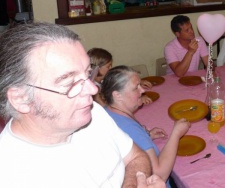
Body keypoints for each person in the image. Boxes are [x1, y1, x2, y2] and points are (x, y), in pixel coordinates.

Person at [0, 22, 154, 187]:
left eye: (88, 74)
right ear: (20, 98)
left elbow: (136, 157)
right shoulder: (12, 175)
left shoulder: (93, 113)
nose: (93, 89)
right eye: (69, 82)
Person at [102, 66, 190, 187]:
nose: (142, 90)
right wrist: (176, 134)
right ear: (117, 95)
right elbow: (159, 174)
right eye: (135, 88)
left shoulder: (106, 112)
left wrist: (147, 136)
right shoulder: (130, 129)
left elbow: (130, 143)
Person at [88, 47, 153, 106]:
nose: (111, 68)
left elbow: (121, 83)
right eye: (108, 66)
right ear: (97, 68)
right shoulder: (93, 89)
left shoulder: (104, 79)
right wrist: (138, 99)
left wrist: (138, 82)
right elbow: (107, 107)